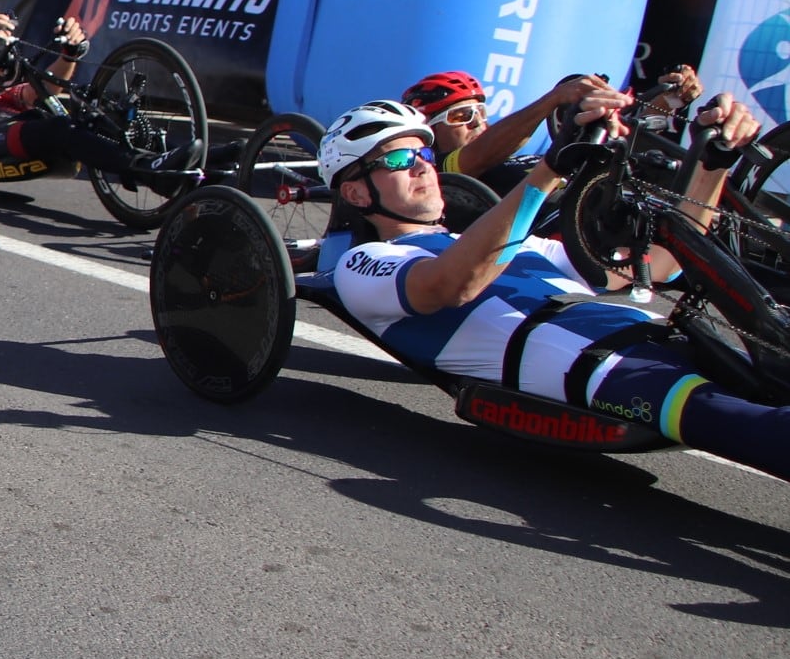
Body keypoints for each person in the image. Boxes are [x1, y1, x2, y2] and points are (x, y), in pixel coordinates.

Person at [317, 96, 790, 479]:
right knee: (760, 428)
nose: (422, 166)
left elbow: (658, 267)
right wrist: (548, 170)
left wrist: (712, 165)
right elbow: (452, 285)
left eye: (423, 153)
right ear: (357, 193)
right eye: (399, 158)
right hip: (607, 374)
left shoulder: (514, 242)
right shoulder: (365, 263)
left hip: (674, 342)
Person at [0, 12, 190, 182]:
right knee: (58, 129)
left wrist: (69, 55)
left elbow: (39, 93)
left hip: (18, 126)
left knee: (91, 117)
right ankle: (145, 169)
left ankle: (190, 159)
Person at [400, 68, 646, 196]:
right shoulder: (439, 173)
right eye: (461, 116)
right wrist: (554, 99)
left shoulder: (520, 158)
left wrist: (669, 102)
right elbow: (480, 155)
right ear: (428, 129)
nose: (477, 123)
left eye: (481, 113)